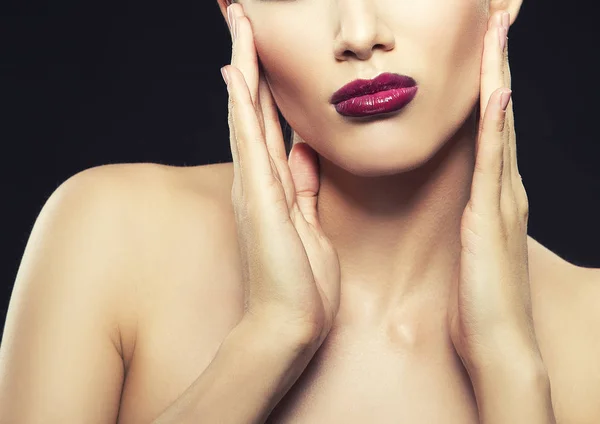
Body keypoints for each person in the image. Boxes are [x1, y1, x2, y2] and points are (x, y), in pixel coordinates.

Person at [1, 0, 599, 422]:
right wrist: (267, 339)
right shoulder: (112, 235)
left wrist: (511, 370)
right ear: (235, 11)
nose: (359, 31)